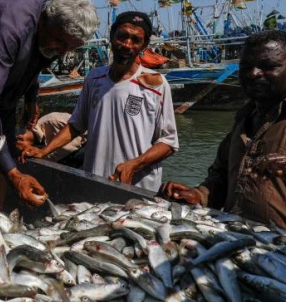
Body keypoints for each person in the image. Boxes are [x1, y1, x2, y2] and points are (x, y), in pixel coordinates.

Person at [161, 30, 286, 252]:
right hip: (239, 248)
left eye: (268, 66)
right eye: (245, 68)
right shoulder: (244, 119)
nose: (253, 74)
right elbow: (220, 178)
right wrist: (199, 195)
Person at [0, 0, 99, 210]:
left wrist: (31, 98)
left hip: (5, 87)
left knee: (5, 141)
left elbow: (36, 61)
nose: (61, 52)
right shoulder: (11, 27)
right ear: (44, 19)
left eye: (69, 48)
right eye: (59, 42)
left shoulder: (57, 24)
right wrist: (14, 175)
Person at [22, 11, 178, 191]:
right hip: (95, 180)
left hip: (139, 187)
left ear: (144, 44)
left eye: (136, 40)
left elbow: (169, 142)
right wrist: (44, 151)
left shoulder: (156, 84)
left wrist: (134, 164)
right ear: (112, 37)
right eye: (122, 36)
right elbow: (76, 124)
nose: (127, 44)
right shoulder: (94, 79)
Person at [15, 111, 86, 164]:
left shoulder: (53, 121)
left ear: (20, 138)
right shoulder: (35, 146)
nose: (23, 151)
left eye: (20, 148)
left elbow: (82, 126)